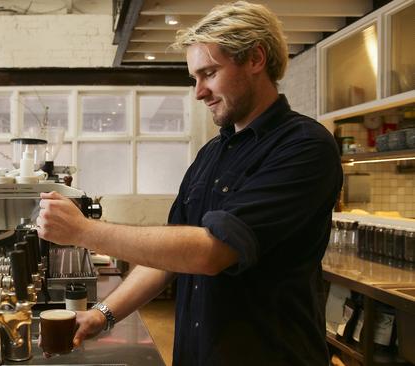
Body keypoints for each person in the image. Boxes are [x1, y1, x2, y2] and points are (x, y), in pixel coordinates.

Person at [37, 1, 343, 365]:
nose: (198, 92)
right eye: (194, 78)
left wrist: (85, 231)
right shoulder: (212, 153)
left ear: (256, 59)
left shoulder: (304, 146)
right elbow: (167, 259)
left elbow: (212, 252)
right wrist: (103, 314)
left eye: (209, 73)